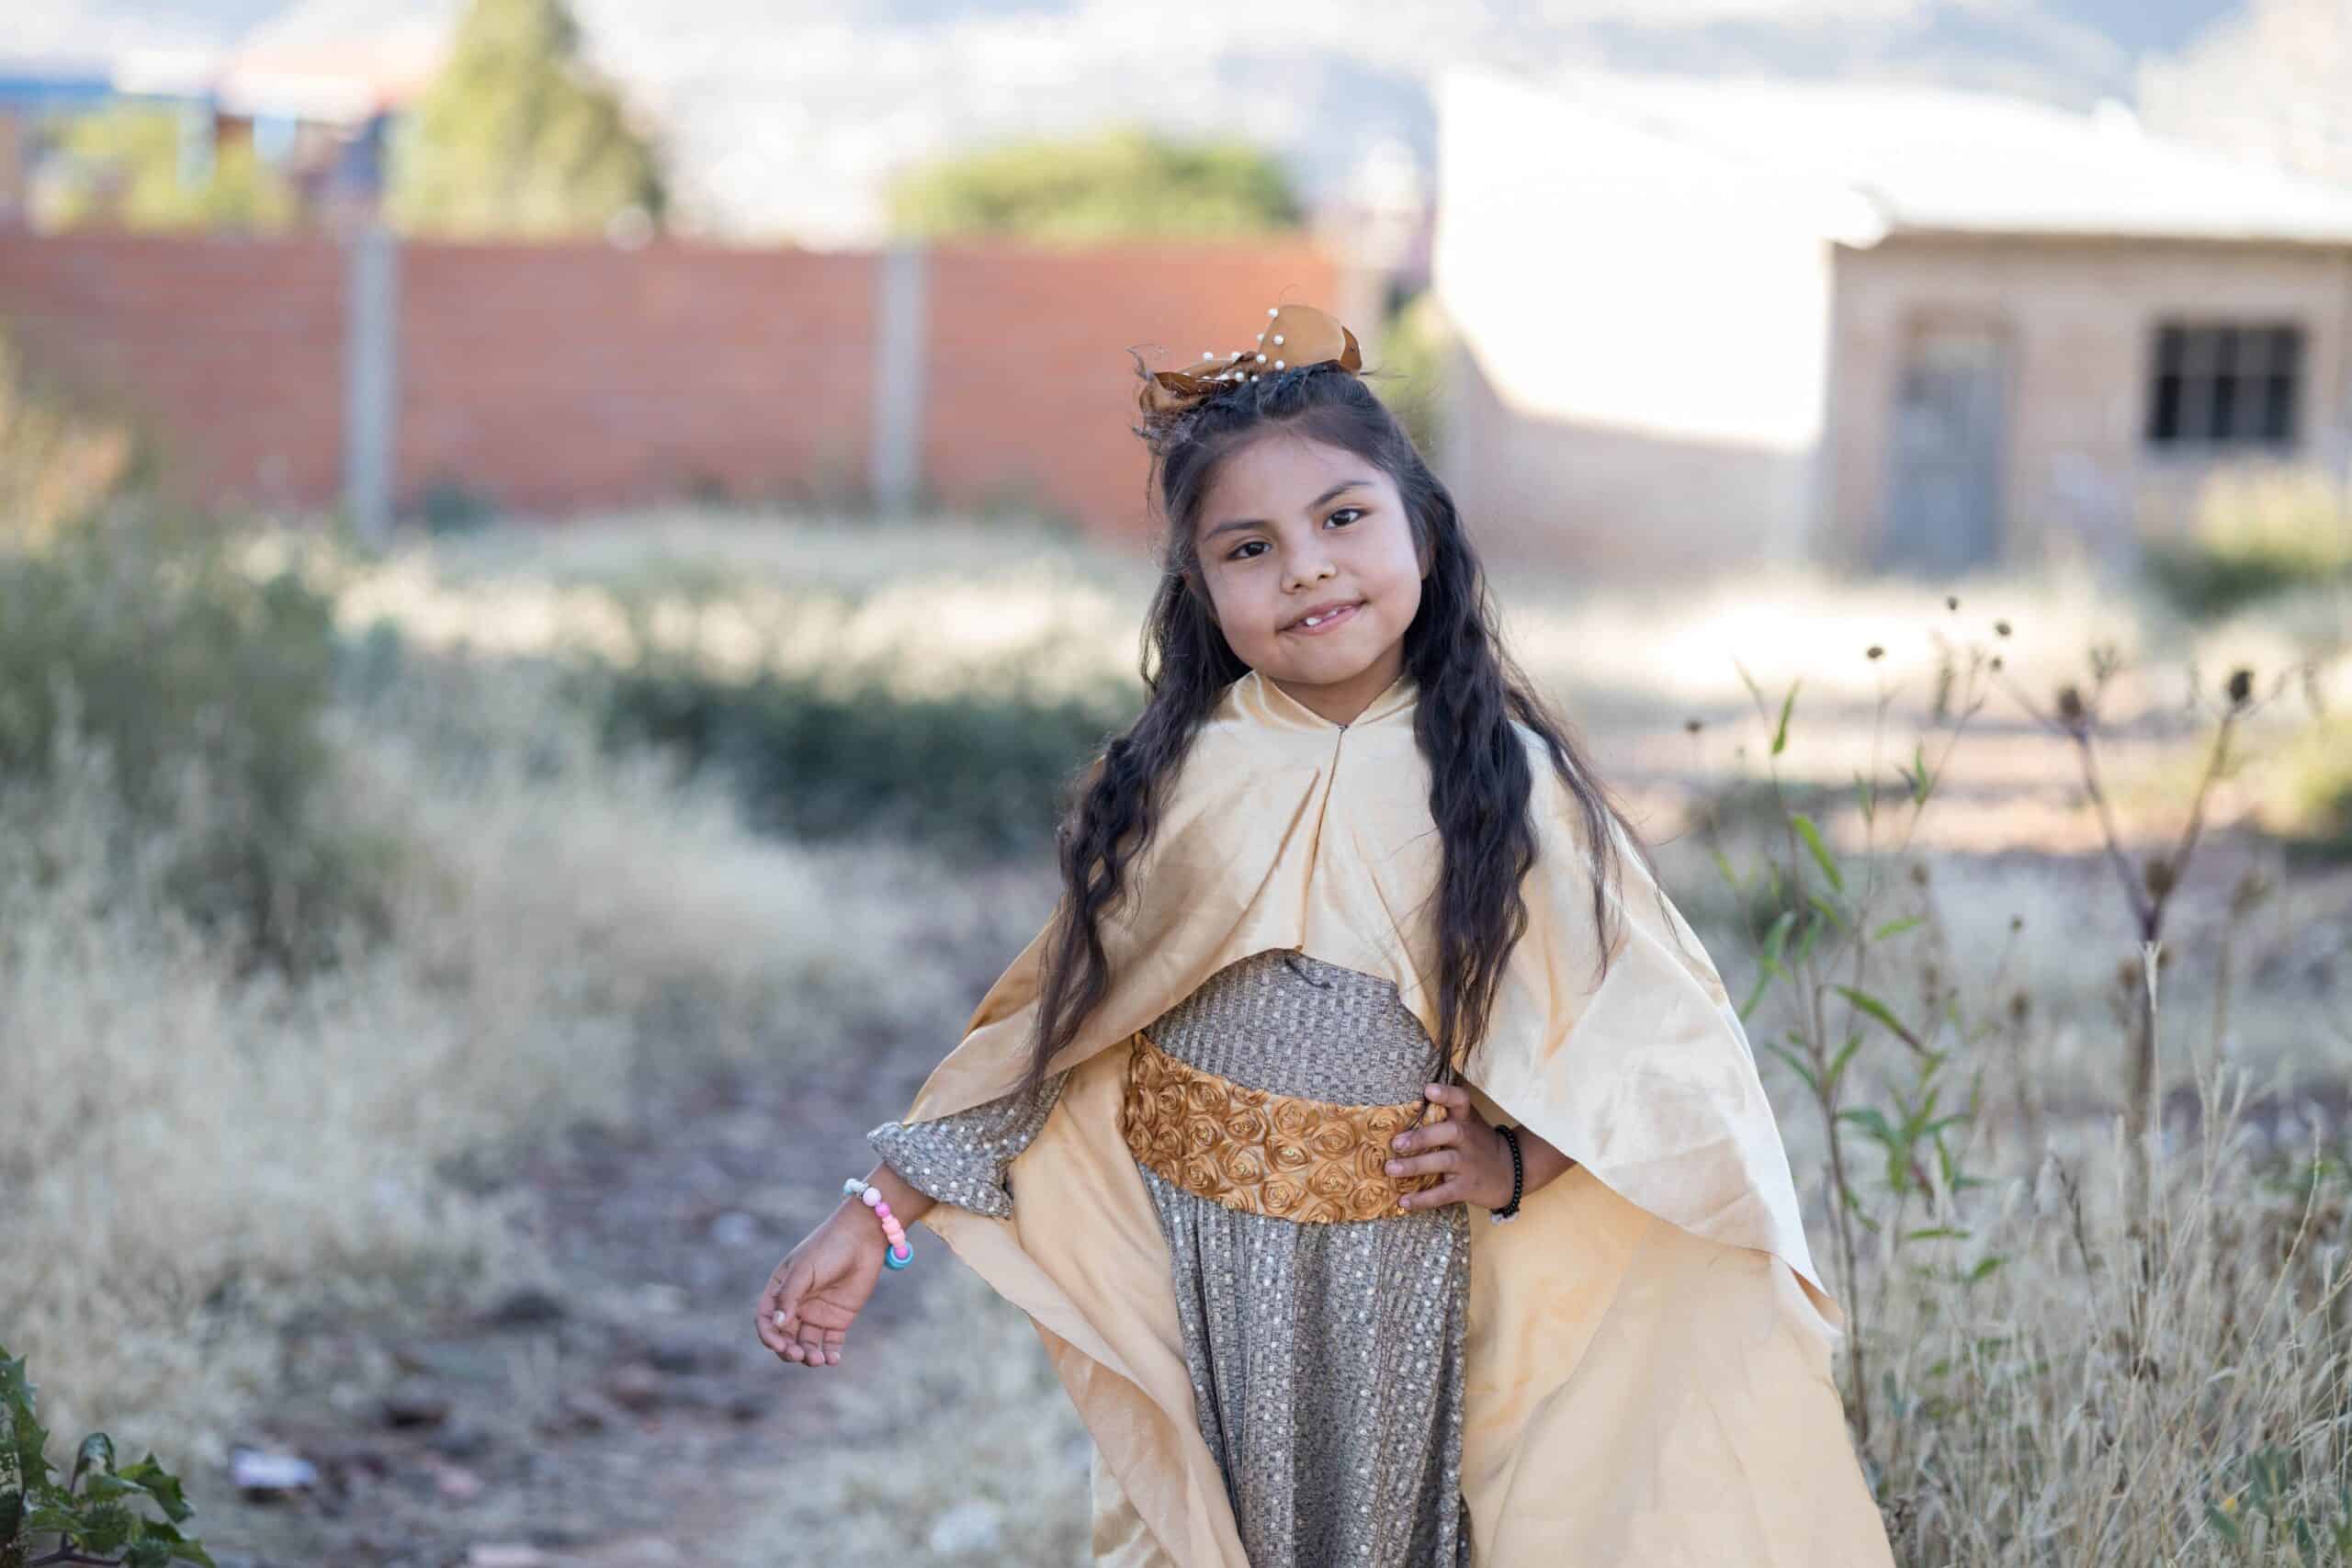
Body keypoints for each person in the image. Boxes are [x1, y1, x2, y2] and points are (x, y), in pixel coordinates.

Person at [754, 302, 1895, 1567]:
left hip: (1409, 1287)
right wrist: (876, 1215)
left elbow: (1647, 1057)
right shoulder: (1186, 776)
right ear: (1199, 588)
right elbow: (1049, 1033)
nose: (1306, 567)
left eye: (1343, 518)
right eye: (1250, 547)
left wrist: (1518, 1166)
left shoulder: (1502, 782)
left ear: (1421, 527)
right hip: (1206, 1285)